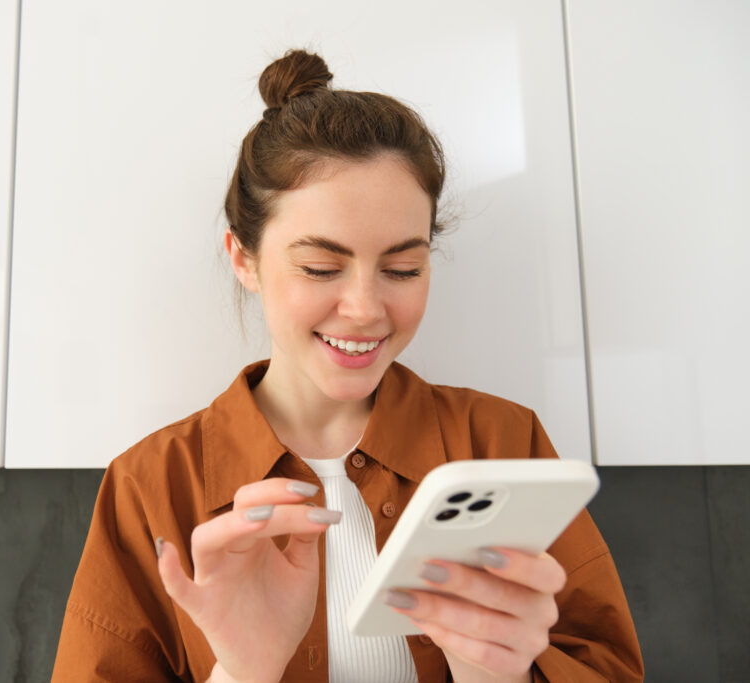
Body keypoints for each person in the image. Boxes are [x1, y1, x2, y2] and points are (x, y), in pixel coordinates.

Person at [52, 49, 643, 682]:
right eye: (320, 268)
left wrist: (492, 672)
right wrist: (242, 673)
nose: (365, 309)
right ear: (244, 258)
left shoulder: (503, 443)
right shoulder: (150, 487)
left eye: (402, 269)